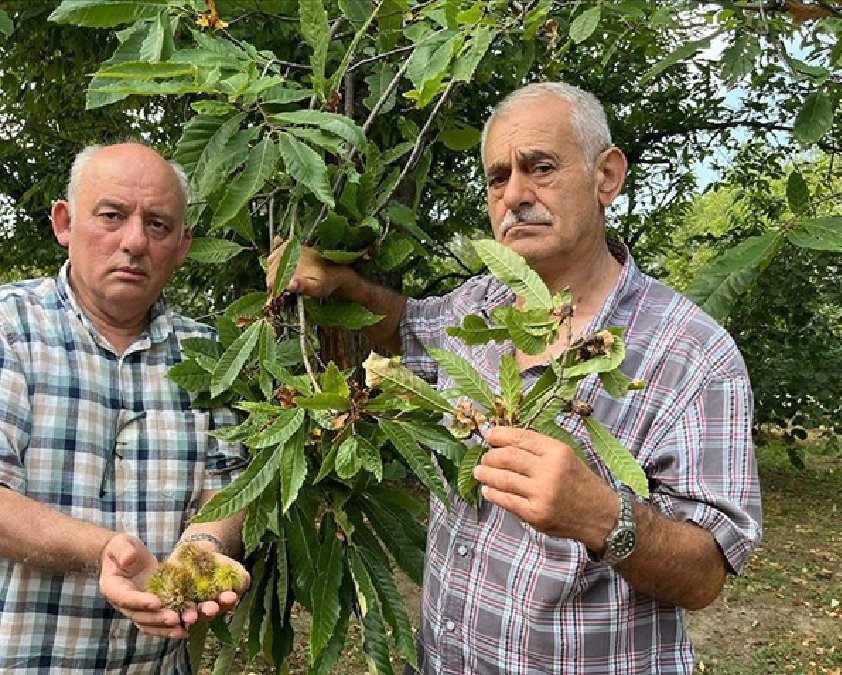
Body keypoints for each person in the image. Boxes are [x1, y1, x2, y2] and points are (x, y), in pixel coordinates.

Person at [269, 82, 763, 674]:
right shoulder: (480, 307)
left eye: (541, 168)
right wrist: (344, 286)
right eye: (497, 177)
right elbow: (407, 328)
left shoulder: (691, 353)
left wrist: (603, 516)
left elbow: (707, 572)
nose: (514, 195)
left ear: (606, 177)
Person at [0, 142, 250, 674]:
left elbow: (227, 488)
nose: (134, 241)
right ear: (64, 223)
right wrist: (106, 551)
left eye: (158, 226)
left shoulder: (208, 356)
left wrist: (205, 545)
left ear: (182, 246)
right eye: (112, 216)